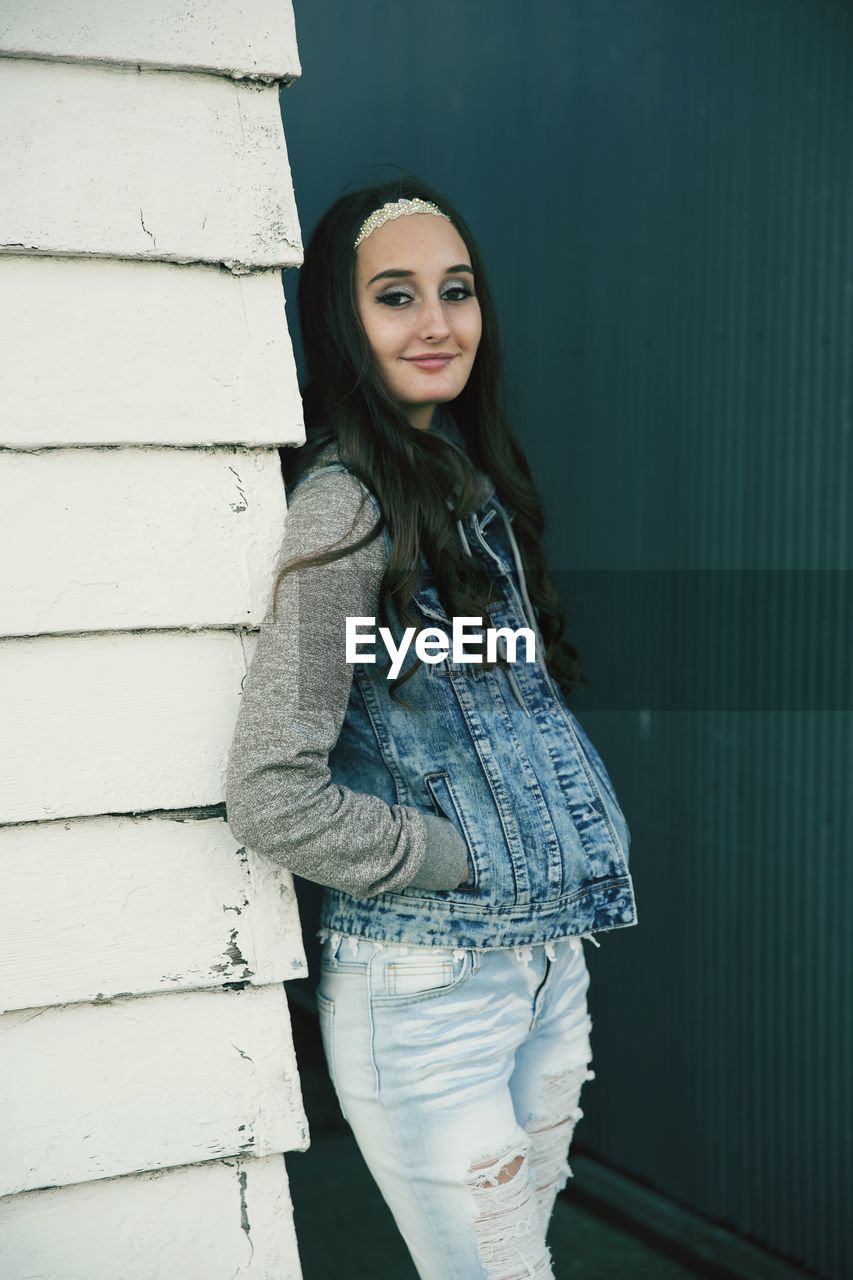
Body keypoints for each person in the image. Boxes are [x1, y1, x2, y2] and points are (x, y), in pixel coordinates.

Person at [225, 175, 638, 1279]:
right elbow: (270, 788)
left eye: (455, 290)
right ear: (341, 324)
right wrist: (453, 855)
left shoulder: (468, 483)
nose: (438, 322)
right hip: (425, 992)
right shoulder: (346, 506)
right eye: (395, 296)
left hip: (546, 964)